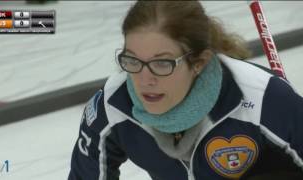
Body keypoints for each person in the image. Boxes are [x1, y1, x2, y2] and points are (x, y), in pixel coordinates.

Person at [68, 1, 303, 179]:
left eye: (162, 63)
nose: (144, 79)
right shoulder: (111, 107)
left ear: (198, 63)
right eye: (132, 60)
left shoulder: (262, 97)